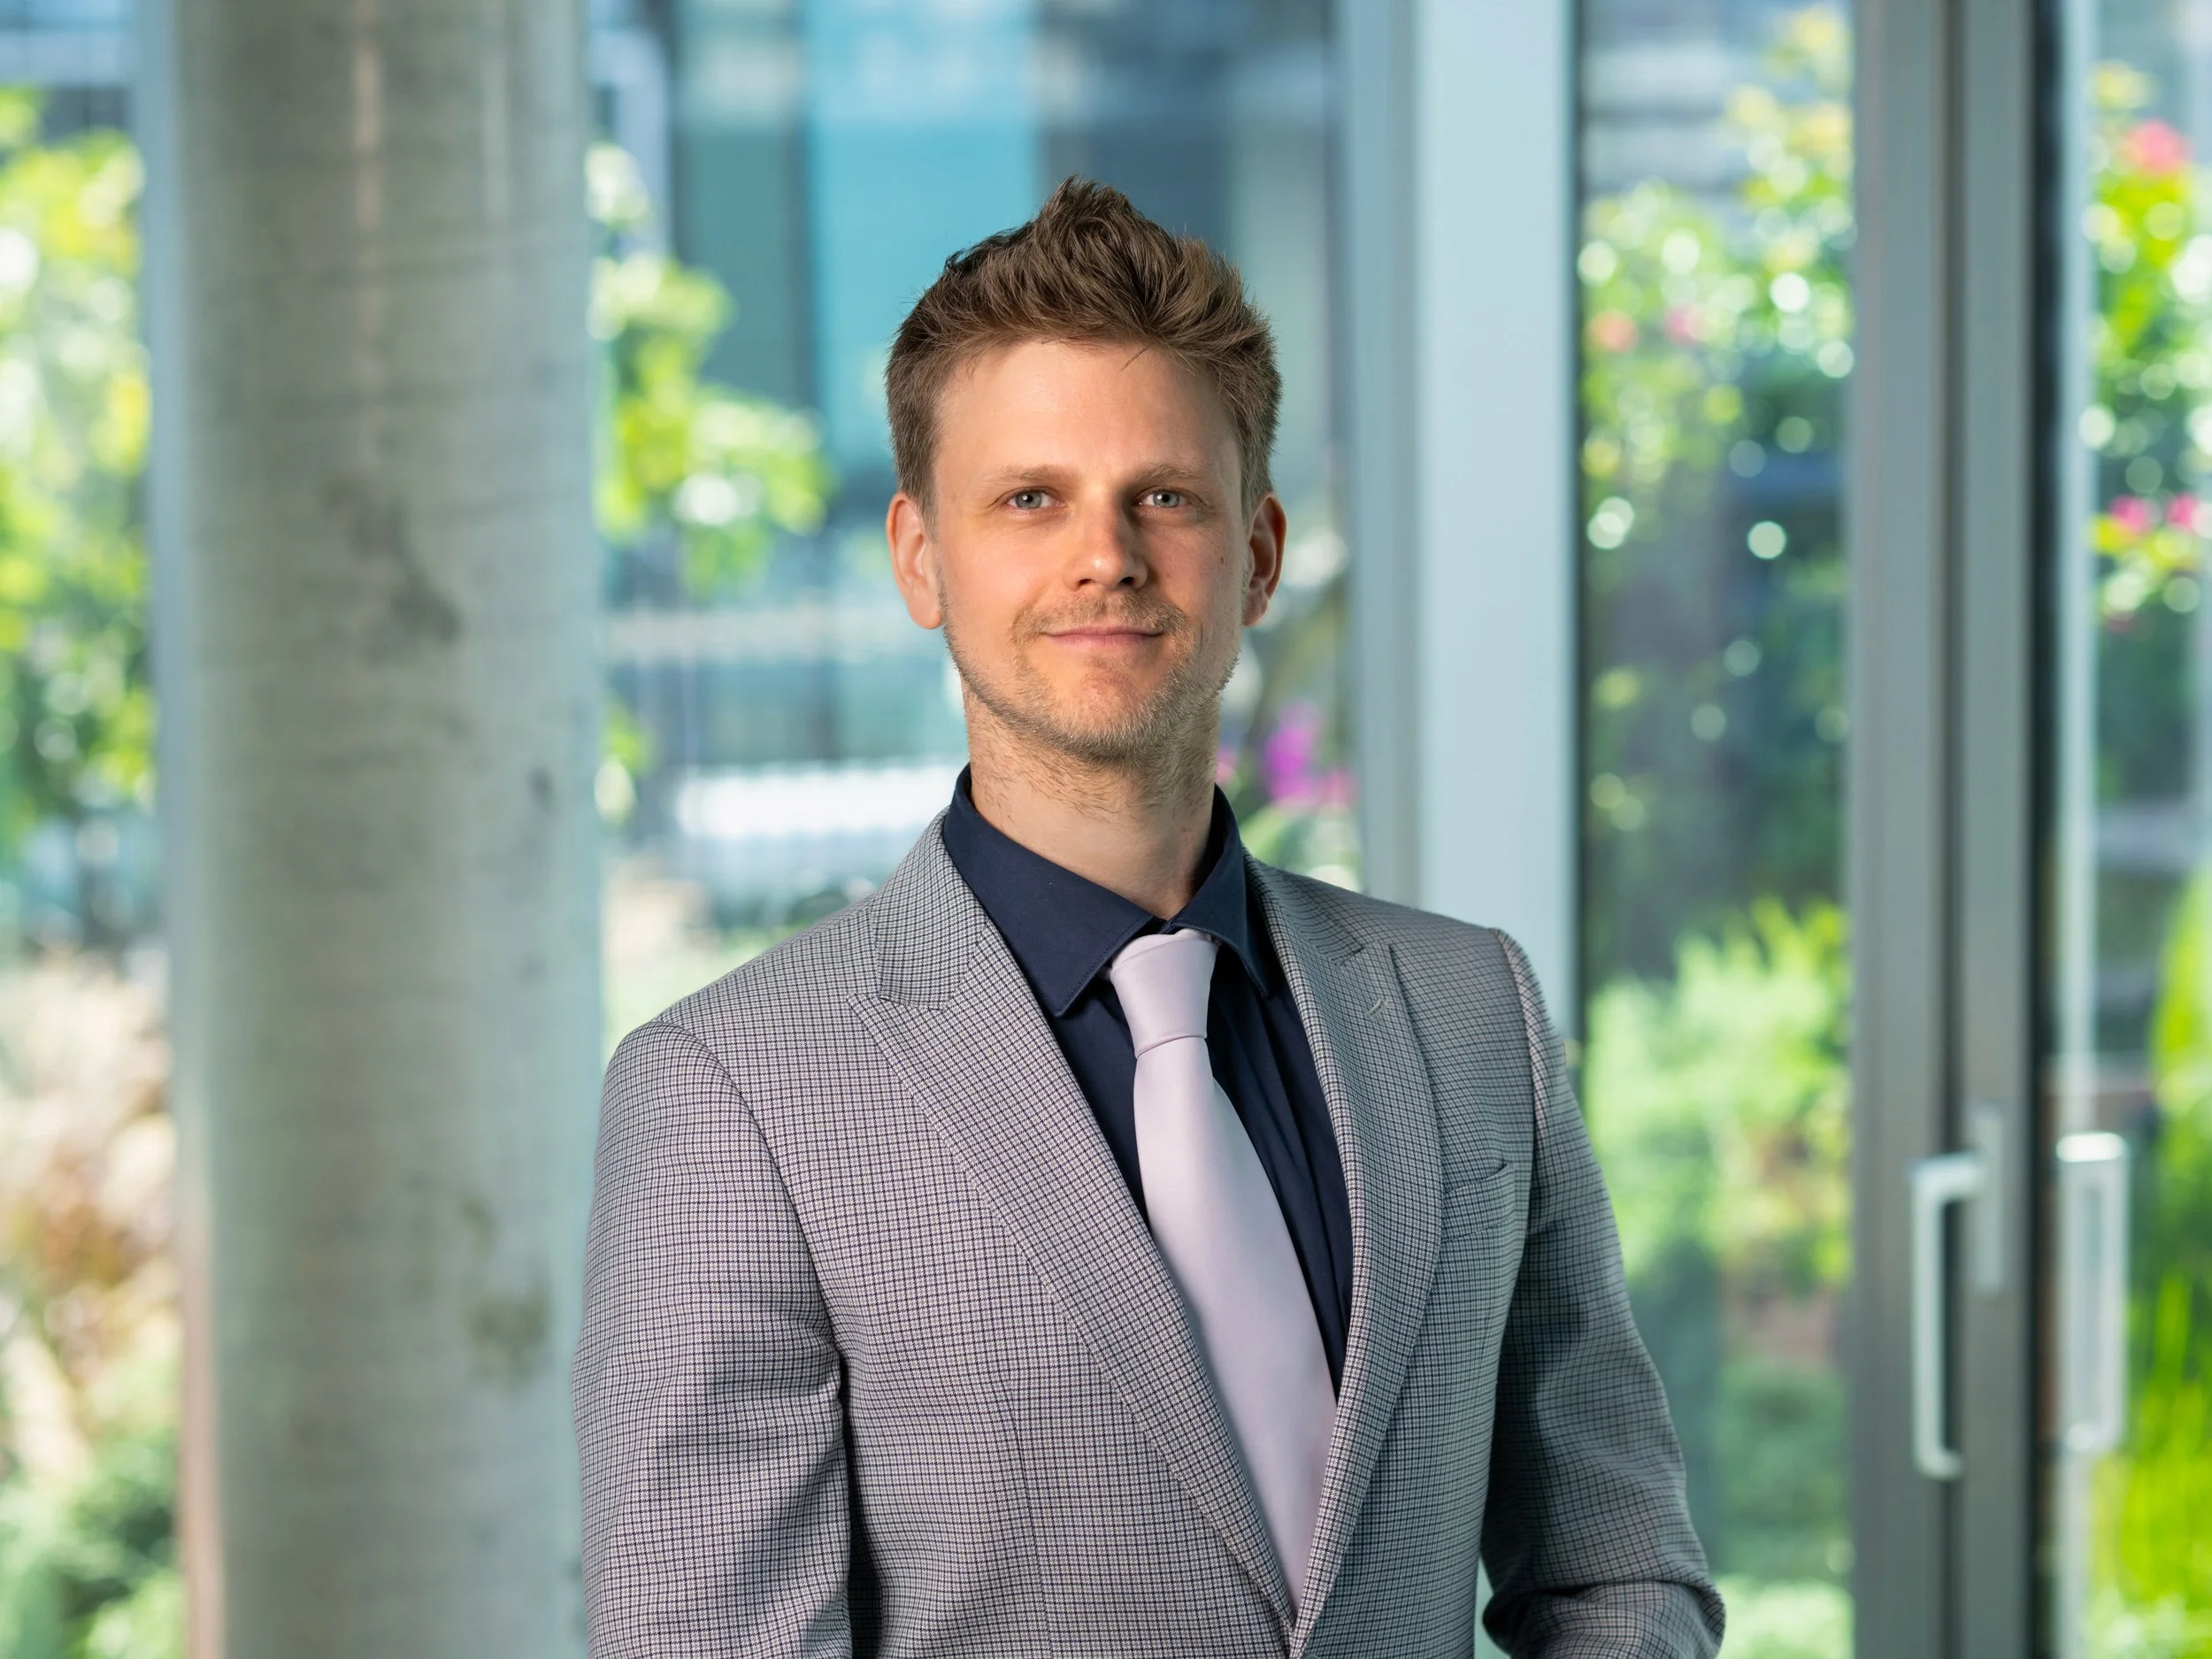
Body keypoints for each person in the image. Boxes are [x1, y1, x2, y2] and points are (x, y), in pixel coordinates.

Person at [572, 178, 1723, 1659]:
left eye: (1165, 497)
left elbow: (1620, 1569)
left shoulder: (1468, 1010)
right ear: (921, 557)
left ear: (1258, 553)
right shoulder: (733, 1095)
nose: (1105, 554)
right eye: (1030, 499)